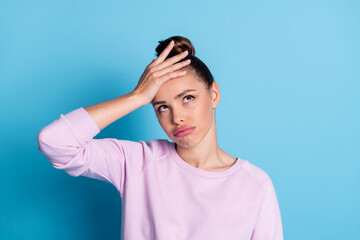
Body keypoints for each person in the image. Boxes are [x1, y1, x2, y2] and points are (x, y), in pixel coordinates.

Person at [37, 36, 283, 240]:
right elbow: (55, 142)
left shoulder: (255, 185)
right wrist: (137, 97)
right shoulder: (137, 162)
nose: (177, 118)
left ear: (214, 94)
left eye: (188, 98)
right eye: (162, 107)